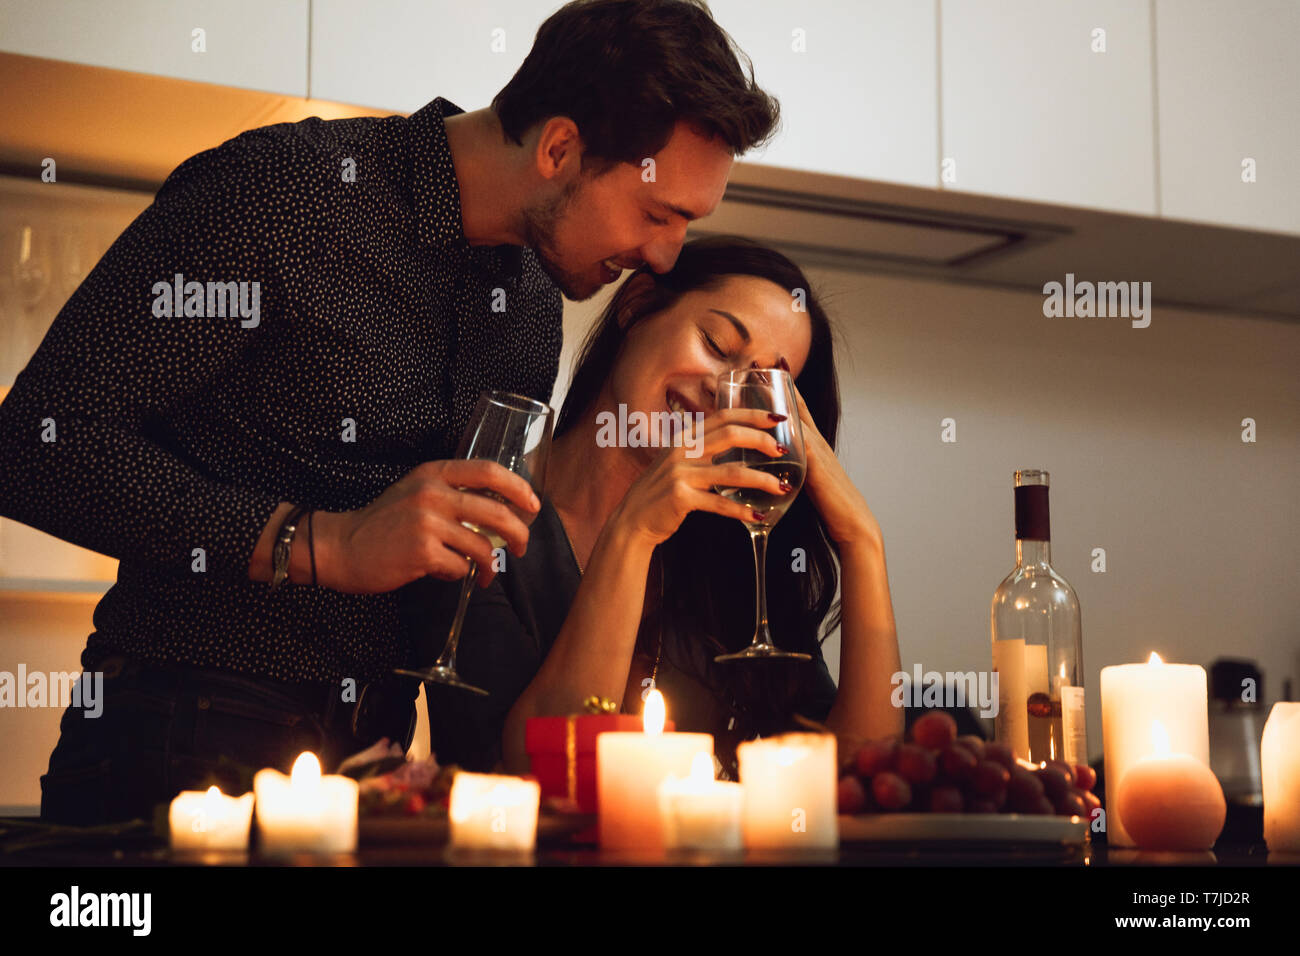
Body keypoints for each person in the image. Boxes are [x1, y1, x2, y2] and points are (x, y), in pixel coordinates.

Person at [0, 0, 781, 824]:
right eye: (659, 215)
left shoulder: (531, 305)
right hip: (178, 731)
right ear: (560, 147)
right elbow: (33, 445)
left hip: (372, 763)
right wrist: (325, 543)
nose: (663, 255)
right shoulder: (285, 194)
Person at [410, 236, 903, 778]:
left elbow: (858, 770)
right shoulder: (490, 517)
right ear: (637, 303)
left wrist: (862, 539)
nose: (725, 393)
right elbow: (547, 772)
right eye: (716, 346)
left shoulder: (735, 561)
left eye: (761, 386)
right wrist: (634, 530)